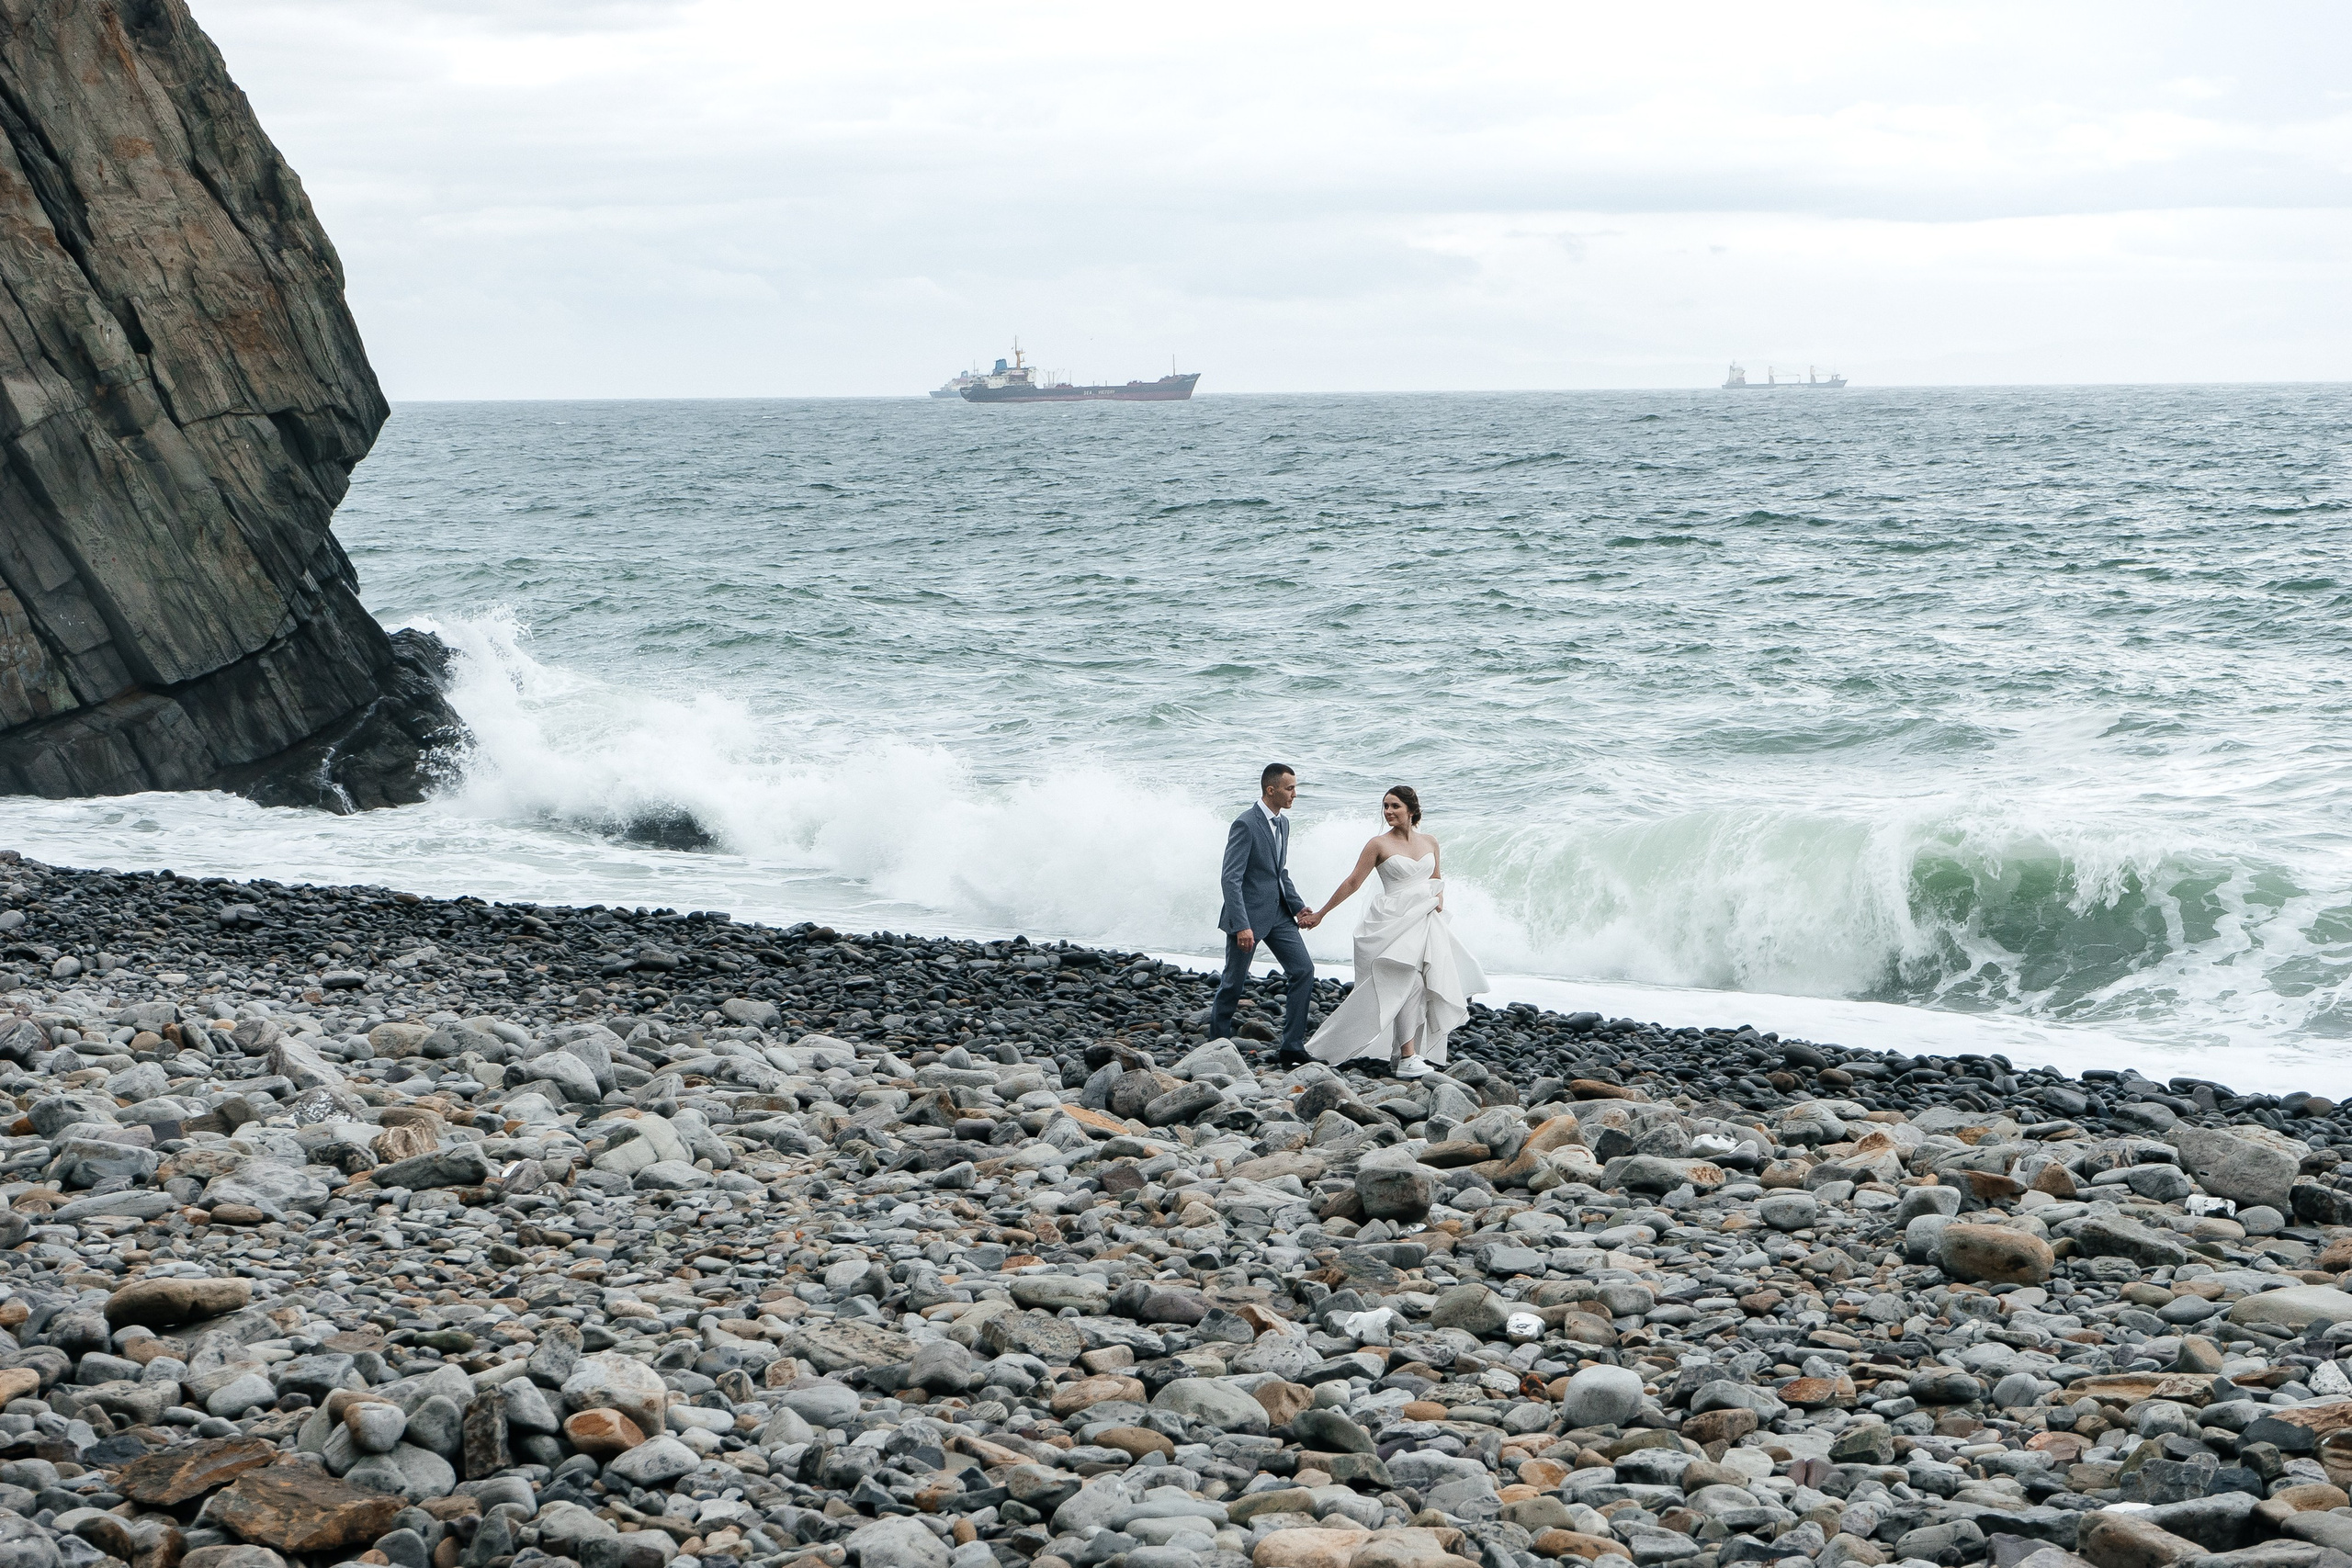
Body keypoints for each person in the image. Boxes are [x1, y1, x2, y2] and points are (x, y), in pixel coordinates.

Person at [1300, 784, 1487, 1077]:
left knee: (1424, 984)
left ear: (1411, 810)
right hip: (1390, 923)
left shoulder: (1431, 842)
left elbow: (1437, 879)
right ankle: (1407, 1057)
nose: (1388, 812)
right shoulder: (1378, 844)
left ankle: (1404, 1055)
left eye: (1395, 806)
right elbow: (1353, 882)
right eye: (1385, 806)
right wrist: (1322, 913)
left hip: (1423, 920)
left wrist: (1439, 899)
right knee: (1404, 982)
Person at [1210, 762, 1322, 1065]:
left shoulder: (1283, 823)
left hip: (1279, 915)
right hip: (1247, 917)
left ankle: (1292, 1045)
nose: (1295, 794)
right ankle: (1216, 1045)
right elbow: (1230, 879)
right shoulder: (1245, 824)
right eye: (1290, 788)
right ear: (1271, 790)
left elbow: (1279, 873)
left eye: (1295, 788)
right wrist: (1241, 925)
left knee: (1303, 970)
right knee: (1233, 982)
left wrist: (1298, 906)